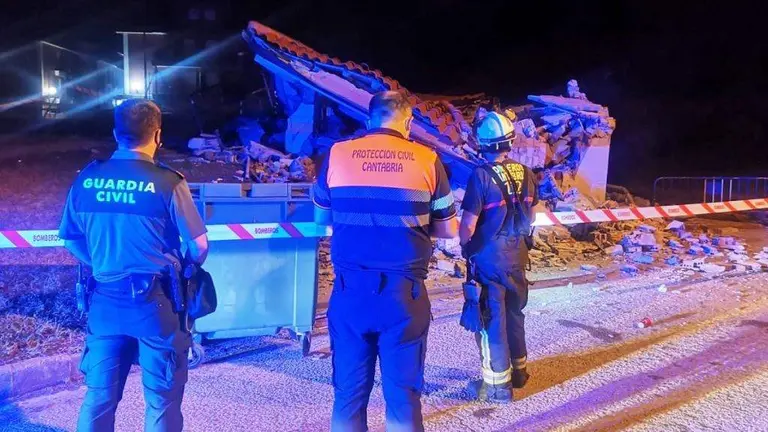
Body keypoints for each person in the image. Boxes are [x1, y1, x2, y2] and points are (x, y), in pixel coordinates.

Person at [59, 99, 209, 432]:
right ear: (157, 135)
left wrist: (98, 261)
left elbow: (69, 238)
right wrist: (185, 269)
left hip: (105, 304)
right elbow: (198, 245)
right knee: (161, 401)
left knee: (98, 399)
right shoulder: (168, 182)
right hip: (155, 305)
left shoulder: (87, 179)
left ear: (116, 133)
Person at [313, 91, 459, 432]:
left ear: (369, 120)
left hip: (351, 294)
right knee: (403, 396)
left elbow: (322, 220)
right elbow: (448, 229)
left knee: (348, 395)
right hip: (403, 297)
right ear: (407, 123)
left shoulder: (337, 155)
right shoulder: (426, 159)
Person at [458, 111, 539, 402]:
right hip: (517, 254)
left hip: (489, 259)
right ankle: (519, 373)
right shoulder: (527, 173)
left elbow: (468, 223)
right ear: (510, 142)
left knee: (492, 319)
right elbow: (531, 214)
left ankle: (497, 387)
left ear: (481, 143)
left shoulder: (480, 176)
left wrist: (466, 247)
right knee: (515, 313)